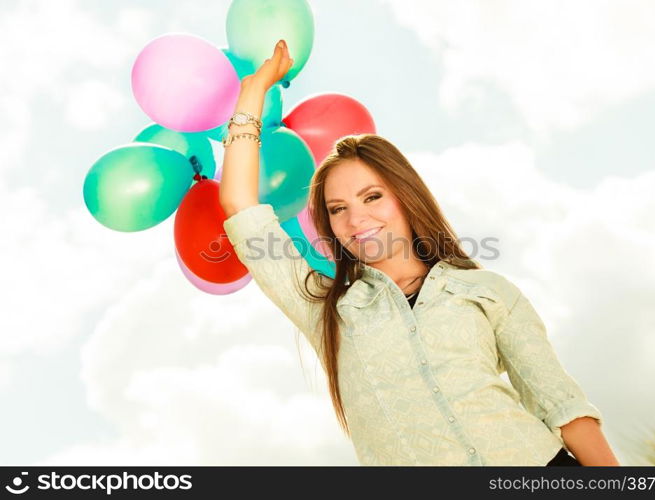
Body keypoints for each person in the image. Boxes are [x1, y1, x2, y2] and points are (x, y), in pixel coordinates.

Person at [218, 39, 620, 467]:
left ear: (405, 197)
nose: (357, 220)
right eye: (338, 209)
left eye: (372, 197)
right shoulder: (326, 308)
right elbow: (243, 208)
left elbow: (563, 407)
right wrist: (254, 91)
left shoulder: (486, 291)